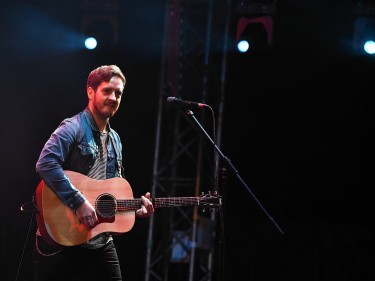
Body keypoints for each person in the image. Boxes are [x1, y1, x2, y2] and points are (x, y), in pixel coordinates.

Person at [33, 64, 154, 281]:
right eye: (107, 90)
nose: (113, 97)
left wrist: (135, 210)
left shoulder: (116, 139)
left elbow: (111, 194)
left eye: (118, 93)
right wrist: (78, 202)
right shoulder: (72, 127)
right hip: (63, 238)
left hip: (100, 242)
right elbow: (45, 163)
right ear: (91, 92)